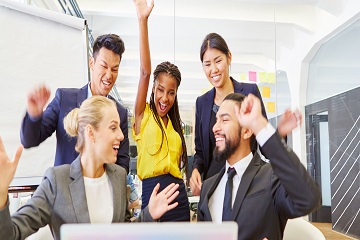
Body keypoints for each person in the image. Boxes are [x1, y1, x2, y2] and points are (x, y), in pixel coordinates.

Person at [0, 96, 180, 240]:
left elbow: (124, 231)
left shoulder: (118, 176)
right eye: (113, 127)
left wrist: (149, 214)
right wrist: (1, 194)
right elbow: (11, 234)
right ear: (91, 133)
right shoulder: (57, 181)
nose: (120, 135)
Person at [197, 93, 321, 240]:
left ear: (247, 131)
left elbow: (308, 199)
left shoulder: (271, 177)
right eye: (216, 120)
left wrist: (260, 125)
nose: (215, 128)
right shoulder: (207, 188)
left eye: (224, 120)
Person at [190, 32, 292, 195]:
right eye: (207, 64)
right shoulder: (202, 103)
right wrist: (195, 169)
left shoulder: (249, 92)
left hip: (247, 184)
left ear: (229, 57)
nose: (213, 69)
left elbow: (262, 141)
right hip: (213, 186)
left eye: (218, 61)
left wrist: (279, 133)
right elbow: (201, 151)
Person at [20, 33, 130, 172]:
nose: (109, 75)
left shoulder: (120, 112)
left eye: (115, 69)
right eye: (104, 66)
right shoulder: (64, 99)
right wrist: (34, 115)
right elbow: (29, 140)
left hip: (99, 189)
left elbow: (122, 165)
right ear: (92, 63)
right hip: (65, 190)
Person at [132, 0, 190, 221]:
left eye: (171, 92)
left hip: (179, 198)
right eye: (160, 90)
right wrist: (143, 21)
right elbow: (145, 73)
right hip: (154, 198)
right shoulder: (143, 115)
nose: (164, 98)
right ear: (153, 88)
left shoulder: (175, 129)